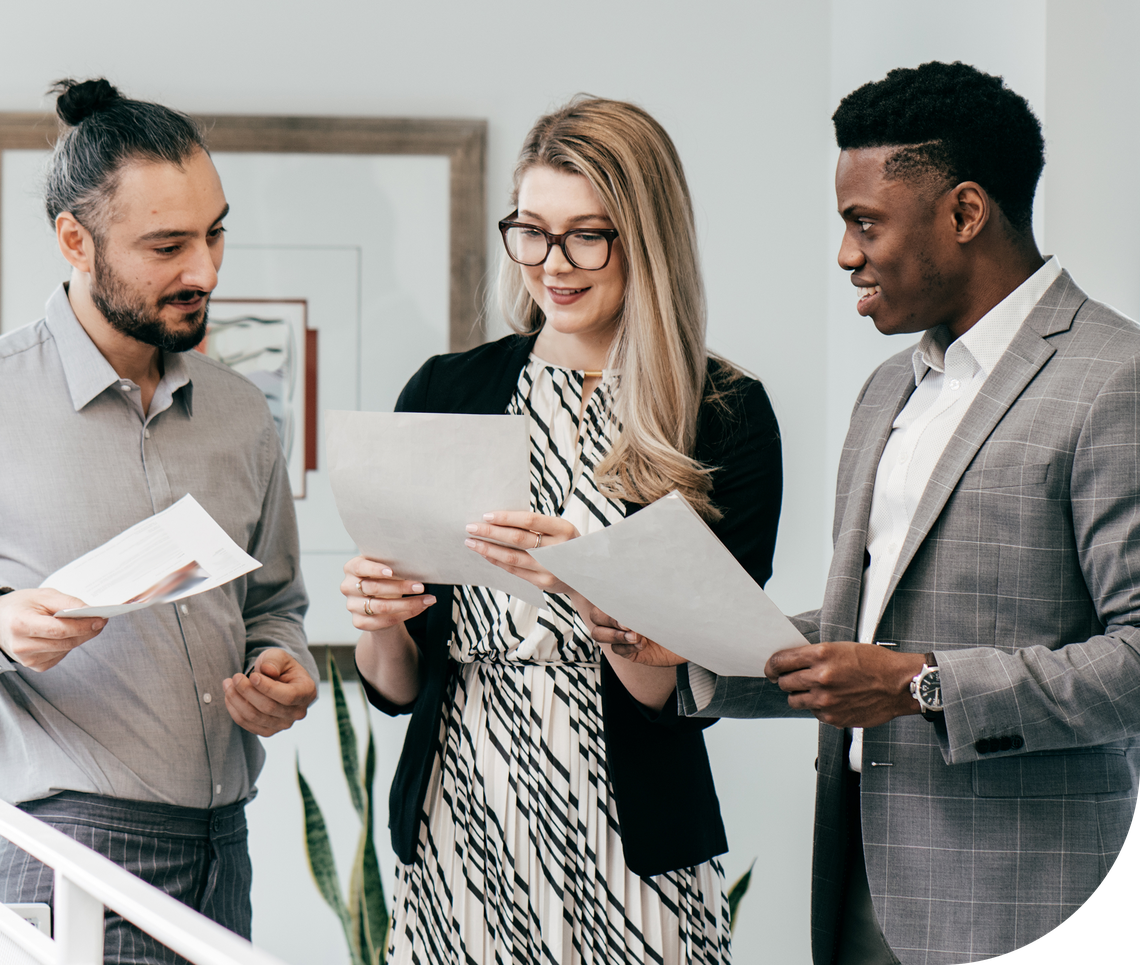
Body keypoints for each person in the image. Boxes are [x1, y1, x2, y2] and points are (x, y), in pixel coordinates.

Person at [602, 61, 1140, 964]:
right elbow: (860, 638)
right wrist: (688, 647)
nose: (846, 254)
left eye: (864, 223)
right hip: (860, 876)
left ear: (965, 213)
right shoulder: (889, 387)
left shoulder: (1113, 380)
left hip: (1030, 893)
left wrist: (918, 685)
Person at [340, 97, 782, 964]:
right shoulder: (446, 389)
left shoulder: (721, 413)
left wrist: (586, 583)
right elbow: (399, 688)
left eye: (588, 234)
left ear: (647, 237)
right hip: (458, 805)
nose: (553, 264)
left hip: (630, 821)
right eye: (531, 230)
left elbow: (687, 688)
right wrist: (379, 615)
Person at [0, 79, 318, 964]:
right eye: (168, 245)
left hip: (225, 850)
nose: (206, 271)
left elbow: (275, 599)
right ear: (75, 239)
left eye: (215, 232)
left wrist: (276, 664)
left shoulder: (241, 411)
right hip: (66, 858)